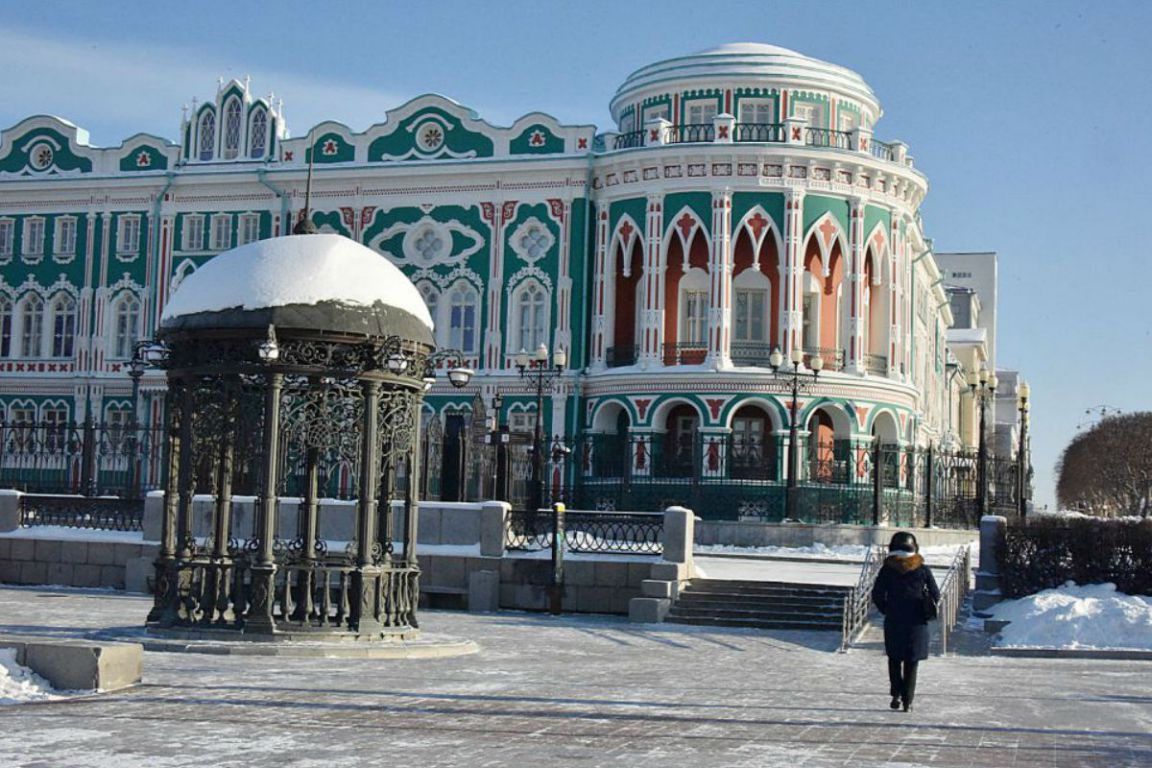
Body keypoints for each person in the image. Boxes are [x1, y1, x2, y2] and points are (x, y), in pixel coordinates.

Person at [870, 531, 940, 712]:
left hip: (894, 620)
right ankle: (908, 701)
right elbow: (936, 594)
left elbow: (877, 594)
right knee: (912, 662)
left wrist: (887, 609)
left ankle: (896, 694)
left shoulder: (887, 569)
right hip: (917, 622)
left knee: (894, 658)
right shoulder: (922, 569)